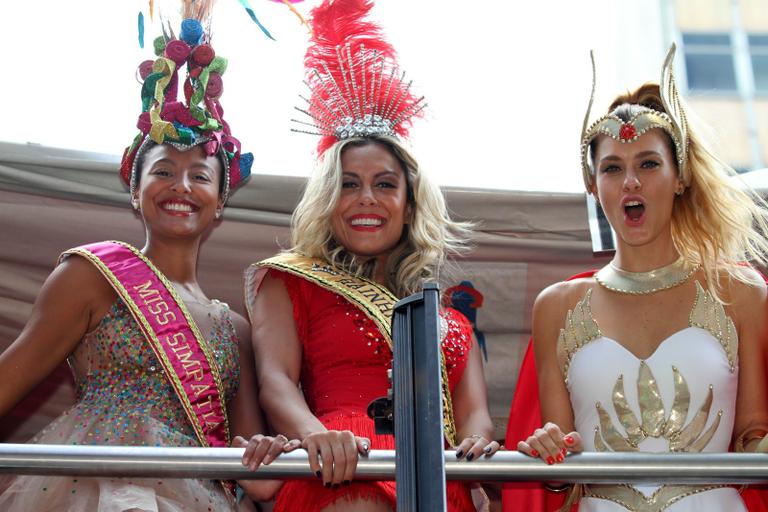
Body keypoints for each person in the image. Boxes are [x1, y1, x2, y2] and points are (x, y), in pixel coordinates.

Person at [0, 8, 294, 511]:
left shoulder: (237, 327)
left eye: (200, 176)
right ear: (135, 191)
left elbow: (255, 473)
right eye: (163, 171)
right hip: (90, 487)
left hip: (198, 495)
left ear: (220, 201)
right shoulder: (91, 276)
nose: (181, 187)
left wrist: (270, 451)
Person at [243, 1, 499, 510]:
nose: (366, 198)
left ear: (408, 207)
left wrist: (476, 445)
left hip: (438, 480)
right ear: (327, 203)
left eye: (385, 185)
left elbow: (475, 416)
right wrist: (314, 435)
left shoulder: (451, 320)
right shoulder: (289, 281)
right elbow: (275, 382)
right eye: (348, 185)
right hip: (339, 467)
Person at [504, 45, 768, 511]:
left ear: (680, 176)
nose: (630, 182)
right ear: (593, 185)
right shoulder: (557, 307)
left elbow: (753, 438)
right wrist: (548, 453)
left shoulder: (740, 293)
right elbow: (560, 479)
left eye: (648, 163)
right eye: (612, 168)